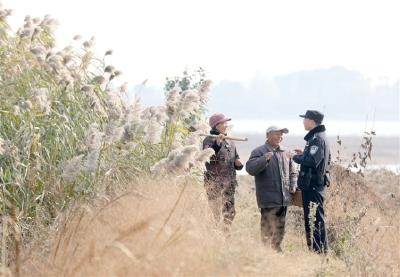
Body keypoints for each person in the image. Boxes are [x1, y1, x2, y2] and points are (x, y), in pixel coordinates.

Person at [246, 126, 297, 252]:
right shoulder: (259, 151)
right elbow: (250, 169)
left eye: (281, 134)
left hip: (284, 197)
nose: (280, 136)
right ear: (268, 135)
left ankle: (277, 249)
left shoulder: (286, 151)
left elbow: (293, 172)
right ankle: (265, 251)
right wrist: (264, 158)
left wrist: (293, 185)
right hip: (268, 198)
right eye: (277, 134)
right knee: (267, 227)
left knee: (281, 226)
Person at [293, 110, 331, 254]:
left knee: (315, 220)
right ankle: (317, 252)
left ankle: (319, 253)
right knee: (313, 219)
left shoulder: (317, 138)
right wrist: (303, 154)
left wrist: (295, 158)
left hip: (313, 187)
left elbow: (312, 162)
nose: (303, 122)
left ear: (312, 121)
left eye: (305, 119)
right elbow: (324, 160)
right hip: (315, 186)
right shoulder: (321, 137)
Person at [202, 113, 243, 233]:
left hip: (229, 183)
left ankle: (226, 234)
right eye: (224, 123)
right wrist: (217, 144)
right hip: (214, 183)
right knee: (214, 211)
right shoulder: (208, 140)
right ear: (216, 125)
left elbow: (235, 158)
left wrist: (238, 163)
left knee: (230, 211)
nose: (226, 125)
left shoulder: (230, 141)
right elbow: (207, 157)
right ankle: (214, 234)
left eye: (226, 122)